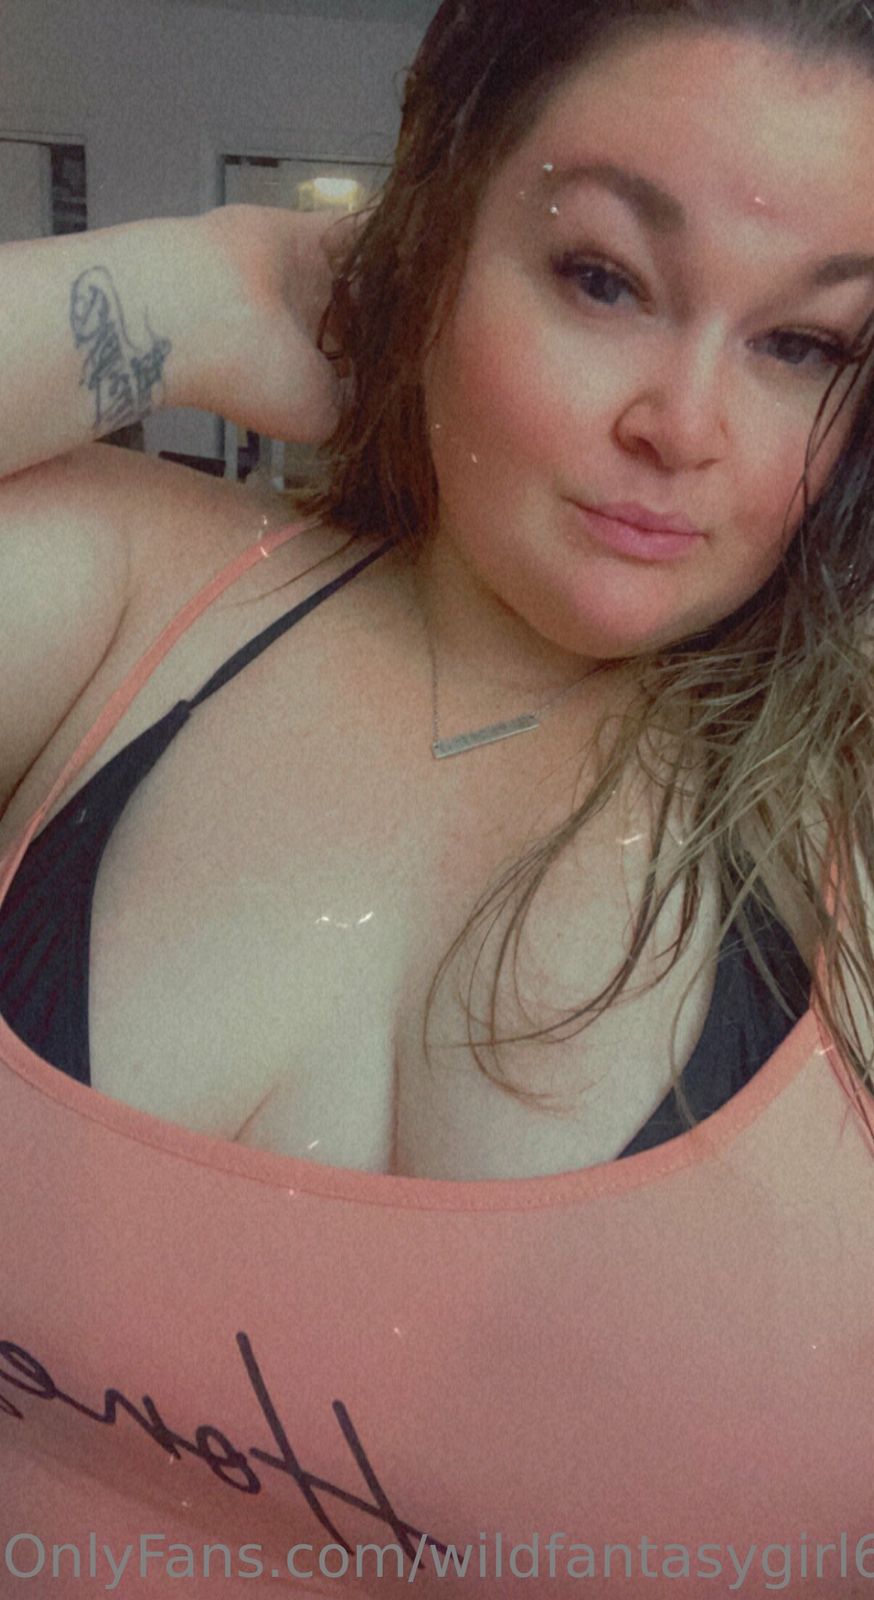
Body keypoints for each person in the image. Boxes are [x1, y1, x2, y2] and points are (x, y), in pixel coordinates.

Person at [0, 1, 873, 1594]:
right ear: (439, 231)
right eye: (600, 276)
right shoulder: (130, 607)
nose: (679, 426)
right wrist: (202, 291)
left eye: (800, 344)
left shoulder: (848, 831)